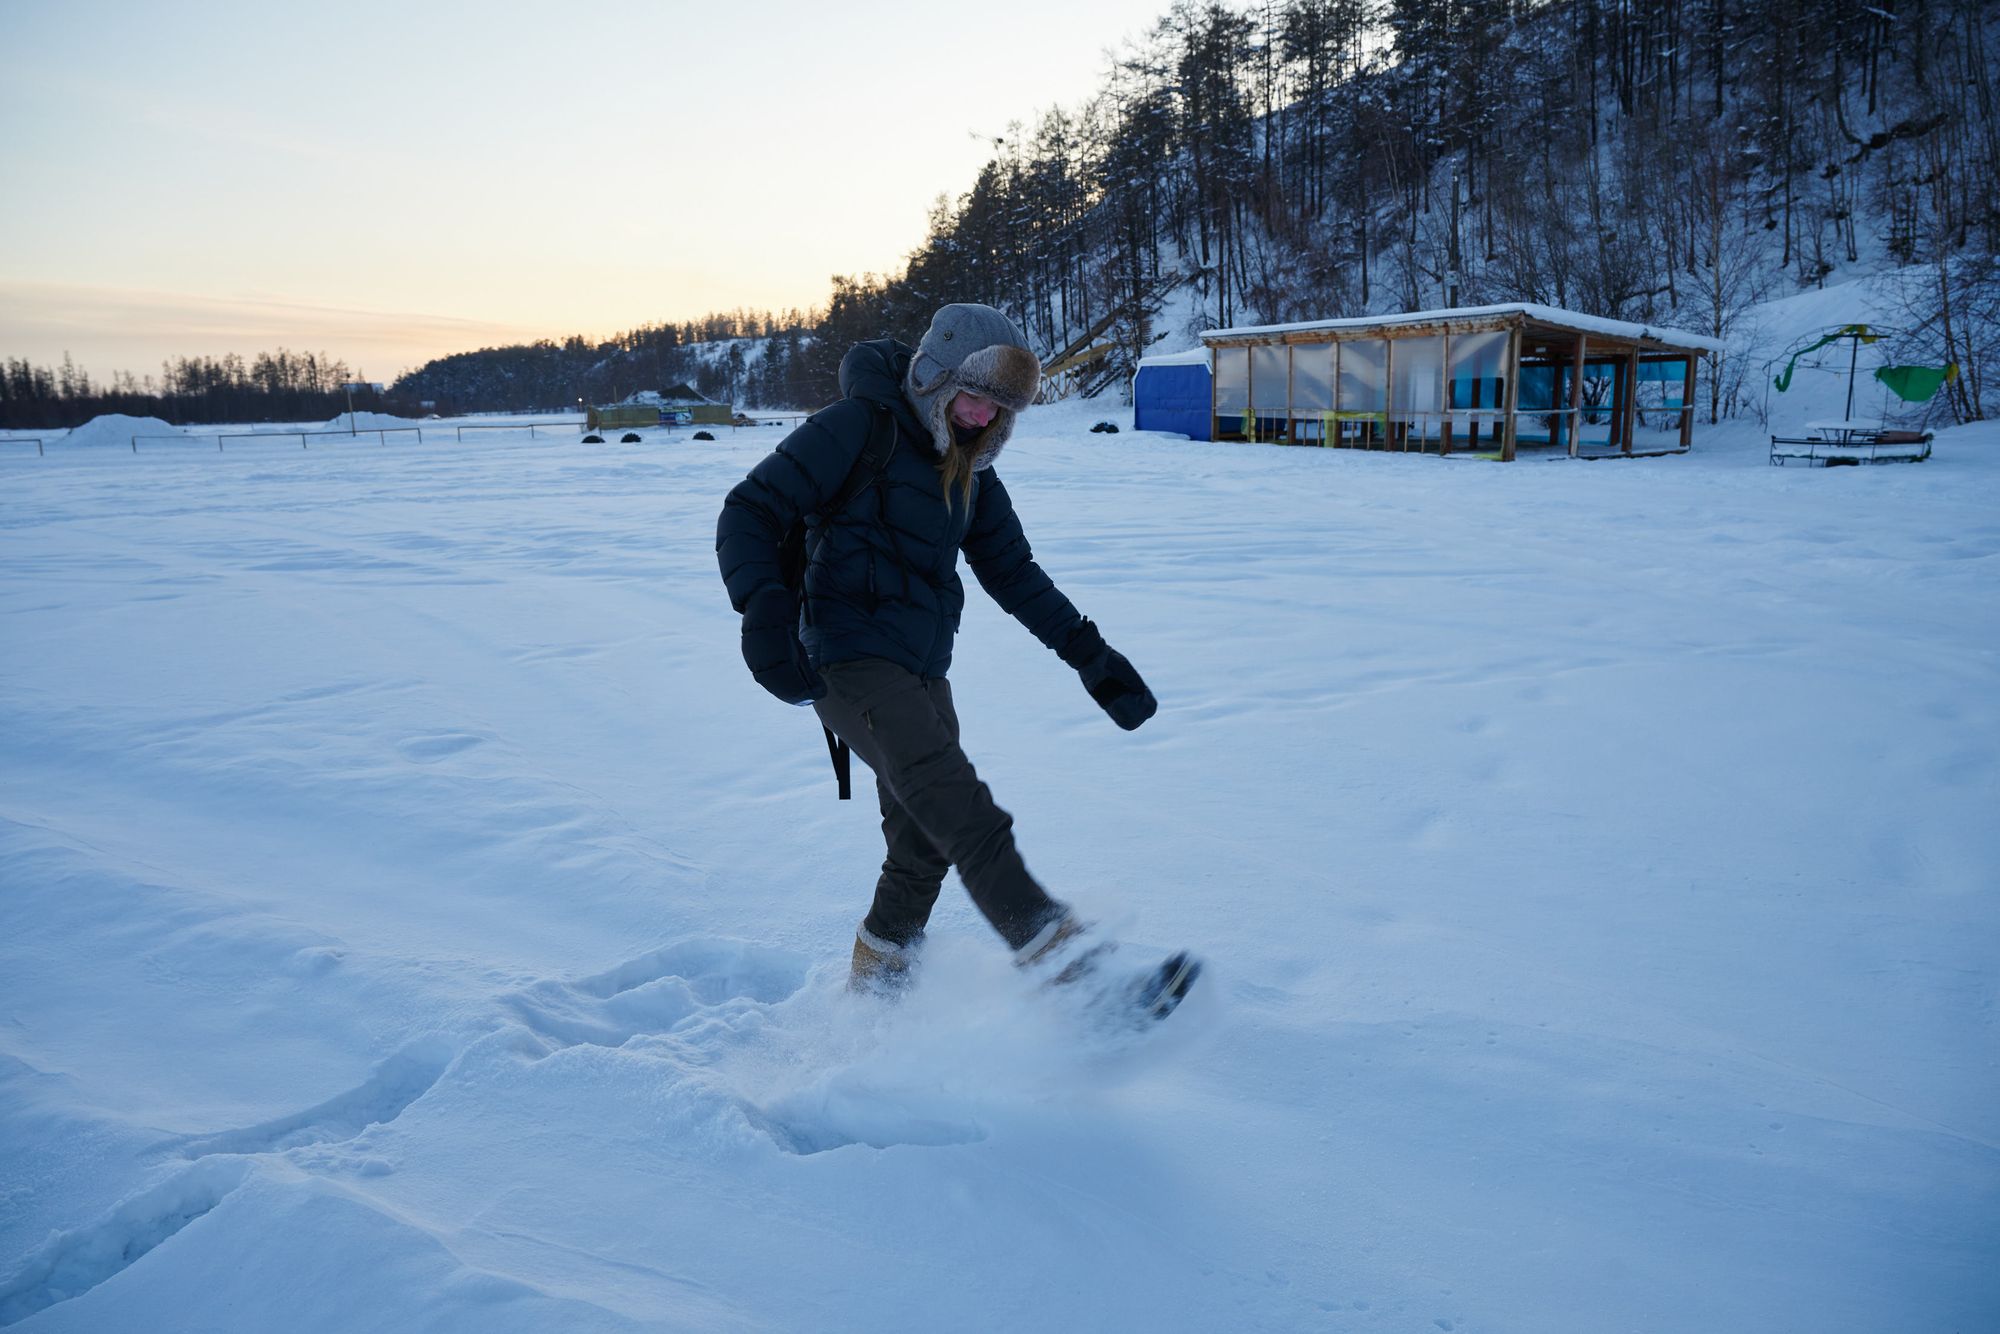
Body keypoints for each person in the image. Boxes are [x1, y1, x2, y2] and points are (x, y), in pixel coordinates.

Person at [715, 303, 1158, 995]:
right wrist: (764, 610)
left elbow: (1014, 573)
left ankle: (879, 980)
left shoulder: (971, 472)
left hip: (920, 667)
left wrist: (1089, 654)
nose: (983, 418)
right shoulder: (859, 427)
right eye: (976, 397)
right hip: (842, 656)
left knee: (924, 839)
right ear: (935, 376)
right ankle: (1064, 963)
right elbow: (749, 508)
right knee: (958, 806)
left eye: (1000, 409)